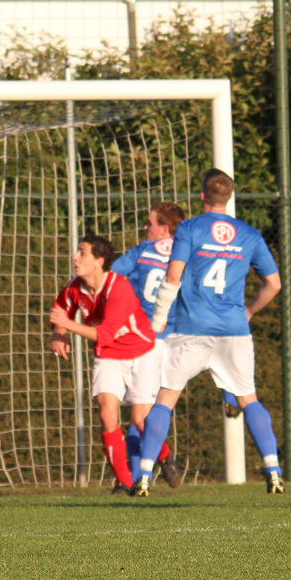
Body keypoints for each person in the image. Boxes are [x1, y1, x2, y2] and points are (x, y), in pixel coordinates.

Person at [139, 169, 285, 496]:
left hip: (191, 329)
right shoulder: (249, 234)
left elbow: (173, 278)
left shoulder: (189, 228)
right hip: (234, 331)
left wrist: (158, 319)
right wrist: (249, 311)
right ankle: (274, 471)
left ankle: (145, 476)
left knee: (165, 399)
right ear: (229, 197)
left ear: (202, 196)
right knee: (248, 399)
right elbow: (274, 284)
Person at [49, 234, 158, 495]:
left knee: (141, 421)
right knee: (107, 415)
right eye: (76, 252)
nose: (75, 257)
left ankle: (164, 455)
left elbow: (105, 334)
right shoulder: (75, 287)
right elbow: (60, 312)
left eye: (82, 253)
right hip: (108, 356)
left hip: (140, 353)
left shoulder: (119, 288)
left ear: (99, 262)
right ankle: (124, 482)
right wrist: (57, 334)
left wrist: (68, 325)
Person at [111, 202, 187, 489]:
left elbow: (112, 275)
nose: (145, 227)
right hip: (178, 341)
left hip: (146, 340)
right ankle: (135, 478)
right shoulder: (188, 252)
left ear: (164, 228)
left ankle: (158, 463)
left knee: (139, 414)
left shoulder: (143, 251)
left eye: (149, 223)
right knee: (145, 412)